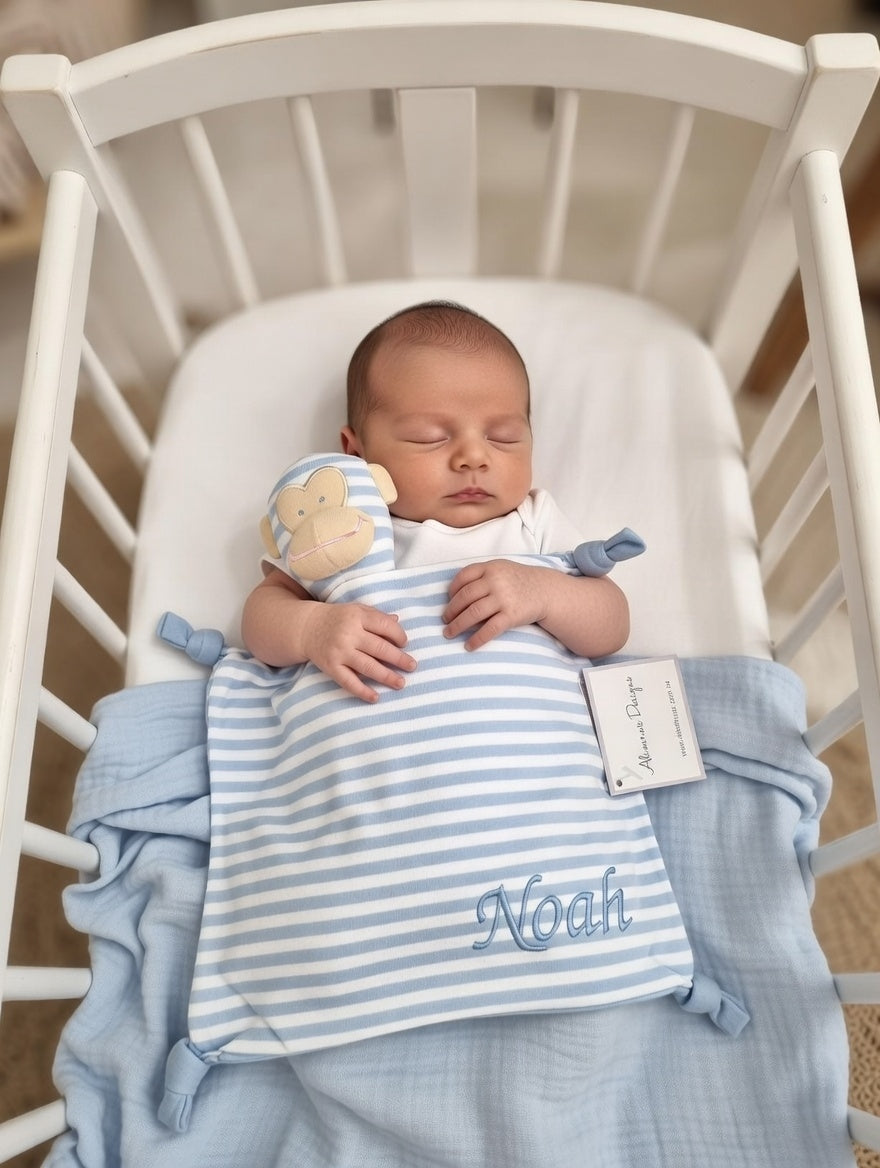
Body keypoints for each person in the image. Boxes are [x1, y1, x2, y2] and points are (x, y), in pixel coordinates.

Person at [241, 301, 630, 702]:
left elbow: (612, 624)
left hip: (529, 745)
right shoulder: (349, 525)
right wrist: (311, 629)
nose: (474, 457)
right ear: (356, 453)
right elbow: (262, 617)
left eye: (503, 437)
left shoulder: (532, 520)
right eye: (429, 437)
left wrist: (545, 594)